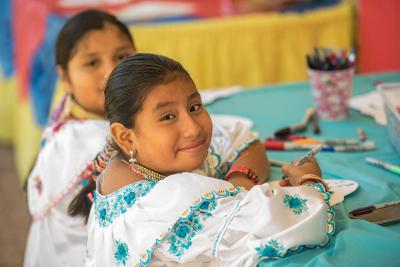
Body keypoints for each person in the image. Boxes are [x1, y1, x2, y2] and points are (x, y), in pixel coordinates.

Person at [85, 53, 334, 266]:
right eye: (168, 116)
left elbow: (243, 141)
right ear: (125, 137)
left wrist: (240, 183)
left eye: (194, 107)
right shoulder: (171, 199)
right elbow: (293, 223)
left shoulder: (126, 166)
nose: (193, 129)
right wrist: (309, 182)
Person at [24, 9, 136, 267]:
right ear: (64, 77)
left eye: (122, 56)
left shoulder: (70, 122)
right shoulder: (85, 139)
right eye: (92, 63)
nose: (111, 71)